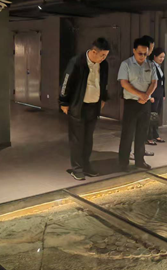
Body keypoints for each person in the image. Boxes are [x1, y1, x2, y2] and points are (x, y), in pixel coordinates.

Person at [60, 38, 110, 181]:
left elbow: (104, 82)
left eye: (105, 55)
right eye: (102, 55)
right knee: (77, 139)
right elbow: (66, 82)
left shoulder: (104, 64)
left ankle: (86, 165)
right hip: (78, 106)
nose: (104, 58)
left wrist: (103, 98)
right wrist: (63, 102)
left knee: (88, 138)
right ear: (94, 52)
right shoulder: (77, 62)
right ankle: (77, 168)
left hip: (93, 106)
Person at [118, 37, 157, 171]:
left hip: (145, 103)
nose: (143, 56)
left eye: (145, 54)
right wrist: (141, 95)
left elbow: (154, 82)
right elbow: (124, 83)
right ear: (134, 50)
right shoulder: (126, 64)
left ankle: (140, 160)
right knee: (127, 133)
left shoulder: (150, 65)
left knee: (142, 133)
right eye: (140, 53)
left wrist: (146, 96)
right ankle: (123, 162)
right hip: (131, 103)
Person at [147, 47, 166, 145]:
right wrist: (150, 95)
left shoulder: (159, 66)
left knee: (156, 116)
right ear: (154, 56)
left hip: (159, 94)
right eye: (160, 57)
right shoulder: (151, 66)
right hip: (153, 95)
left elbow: (162, 82)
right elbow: (149, 82)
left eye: (163, 57)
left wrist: (163, 94)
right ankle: (149, 137)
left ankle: (156, 135)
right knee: (151, 116)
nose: (162, 59)